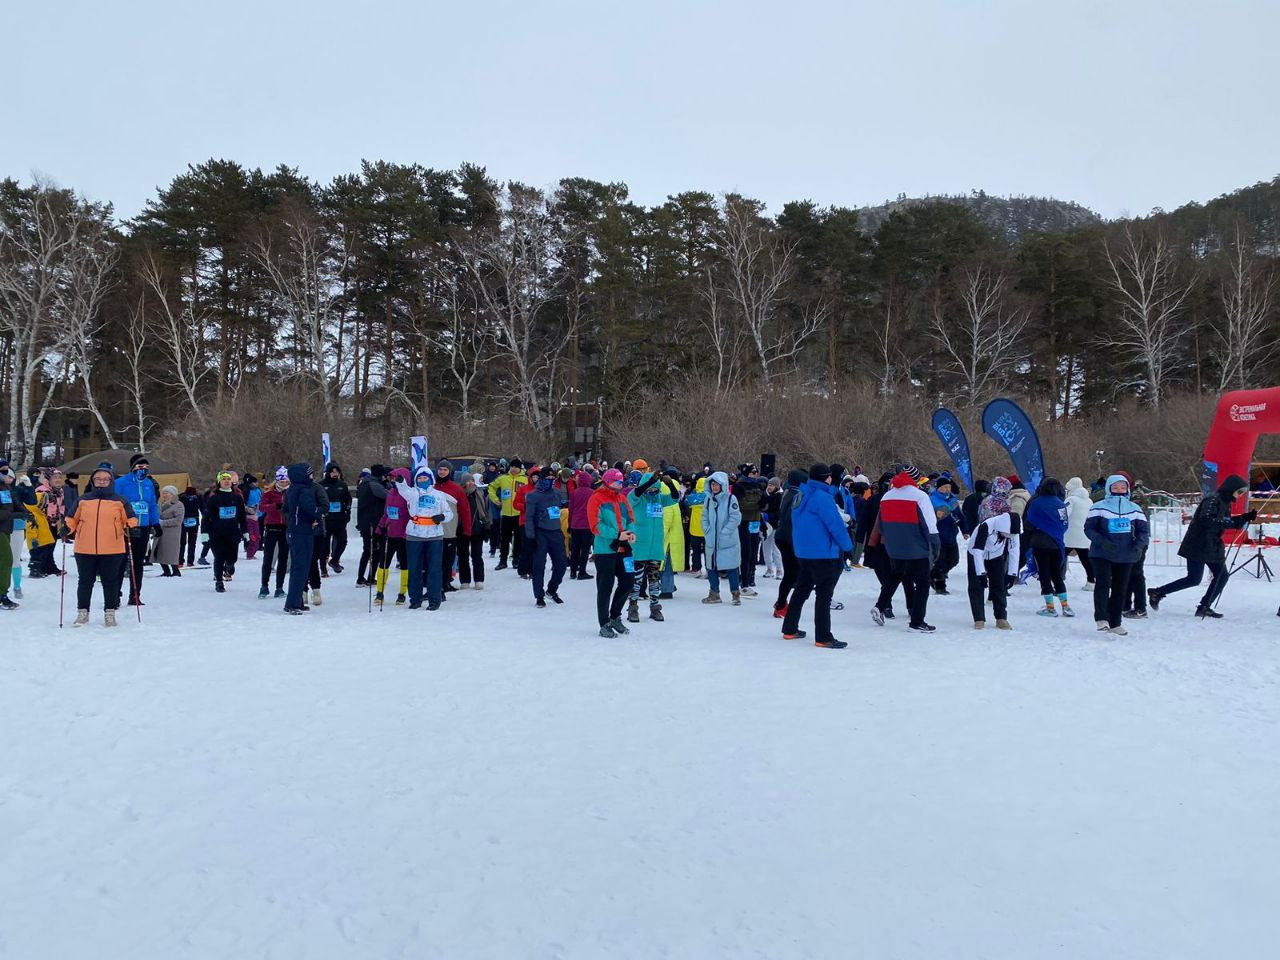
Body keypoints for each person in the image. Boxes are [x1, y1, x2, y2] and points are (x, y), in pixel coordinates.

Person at [1149, 474, 1254, 619]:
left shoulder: (1224, 501)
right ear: (1231, 489)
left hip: (1212, 544)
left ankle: (1204, 606)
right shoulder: (1213, 500)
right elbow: (1207, 520)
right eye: (1239, 492)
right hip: (1198, 543)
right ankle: (1158, 592)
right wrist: (1233, 523)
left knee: (1221, 575)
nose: (1240, 495)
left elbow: (1223, 520)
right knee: (1194, 578)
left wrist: (1243, 518)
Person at [780, 464, 853, 649]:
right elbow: (835, 525)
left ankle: (789, 628)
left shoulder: (800, 495)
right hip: (823, 553)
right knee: (823, 595)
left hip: (804, 552)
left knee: (801, 590)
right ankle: (823, 636)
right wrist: (847, 546)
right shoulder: (823, 498)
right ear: (826, 478)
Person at [66, 463, 138, 626]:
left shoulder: (120, 501)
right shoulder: (83, 500)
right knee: (85, 581)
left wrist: (131, 527)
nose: (101, 481)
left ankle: (110, 613)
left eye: (105, 479)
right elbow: (71, 519)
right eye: (98, 479)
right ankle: (83, 613)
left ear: (111, 481)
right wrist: (67, 528)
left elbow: (131, 518)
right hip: (84, 548)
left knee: (110, 581)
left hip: (113, 548)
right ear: (93, 481)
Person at [871, 468, 940, 632]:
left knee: (896, 575)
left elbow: (881, 524)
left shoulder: (887, 496)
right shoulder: (920, 496)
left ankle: (880, 606)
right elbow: (930, 525)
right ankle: (917, 622)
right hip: (917, 547)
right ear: (916, 480)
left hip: (894, 547)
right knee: (923, 583)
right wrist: (935, 547)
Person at [1084, 474, 1150, 635]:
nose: (1119, 490)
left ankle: (1115, 623)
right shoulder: (1098, 507)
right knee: (1103, 584)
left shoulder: (1134, 508)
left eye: (1122, 487)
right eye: (1115, 487)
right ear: (1109, 489)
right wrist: (1102, 541)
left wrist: (1138, 546)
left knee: (1120, 589)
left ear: (1127, 489)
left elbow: (1143, 530)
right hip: (1101, 553)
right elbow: (1089, 529)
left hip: (1126, 555)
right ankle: (1101, 619)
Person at [393, 466, 454, 610]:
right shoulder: (412, 493)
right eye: (420, 478)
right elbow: (403, 489)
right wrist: (400, 482)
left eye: (425, 478)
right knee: (414, 568)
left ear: (430, 479)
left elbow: (448, 513)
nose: (422, 480)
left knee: (434, 569)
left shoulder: (439, 495)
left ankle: (434, 599)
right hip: (415, 535)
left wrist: (442, 517)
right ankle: (415, 599)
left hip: (435, 536)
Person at [626, 465, 681, 622]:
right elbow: (636, 493)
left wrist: (669, 483)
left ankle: (655, 607)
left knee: (655, 580)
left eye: (655, 490)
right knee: (636, 581)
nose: (652, 493)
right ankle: (633, 607)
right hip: (639, 547)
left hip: (656, 546)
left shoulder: (659, 499)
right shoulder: (636, 498)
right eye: (650, 490)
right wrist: (650, 481)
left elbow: (676, 498)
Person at [965, 478, 1021, 630]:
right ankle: (979, 618)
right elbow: (977, 551)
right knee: (976, 585)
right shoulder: (985, 527)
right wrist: (981, 573)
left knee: (999, 584)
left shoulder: (1010, 525)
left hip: (996, 554)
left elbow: (1014, 549)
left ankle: (1001, 617)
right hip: (978, 552)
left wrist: (1012, 573)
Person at [587, 469, 637, 637]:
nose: (619, 485)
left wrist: (631, 532)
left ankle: (615, 616)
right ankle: (604, 623)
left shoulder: (622, 498)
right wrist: (616, 534)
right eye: (616, 482)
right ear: (607, 481)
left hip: (624, 549)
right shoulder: (596, 498)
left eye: (621, 482)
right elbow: (595, 525)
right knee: (605, 586)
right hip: (605, 550)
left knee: (628, 582)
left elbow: (631, 519)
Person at [1024, 477, 1073, 617]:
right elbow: (1065, 523)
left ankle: (1050, 608)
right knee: (1057, 575)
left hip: (1040, 542)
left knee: (1044, 575)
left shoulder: (1036, 503)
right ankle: (1065, 606)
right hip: (1057, 543)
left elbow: (1029, 523)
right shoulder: (1060, 504)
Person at [114, 454, 159, 605]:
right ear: (133, 468)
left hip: (143, 527)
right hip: (125, 528)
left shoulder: (148, 483)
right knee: (120, 562)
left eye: (147, 468)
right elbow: (115, 504)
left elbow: (152, 504)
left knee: (138, 563)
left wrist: (155, 523)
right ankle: (115, 595)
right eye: (140, 467)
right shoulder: (121, 483)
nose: (144, 470)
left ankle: (134, 595)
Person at [524, 468, 569, 607]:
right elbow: (529, 518)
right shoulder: (533, 495)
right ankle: (539, 596)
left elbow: (560, 509)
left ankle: (552, 590)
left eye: (552, 479)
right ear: (541, 479)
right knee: (539, 567)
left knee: (561, 565)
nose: (550, 482)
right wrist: (530, 537)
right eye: (547, 479)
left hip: (556, 532)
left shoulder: (556, 493)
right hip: (540, 533)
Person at [700, 470, 743, 605]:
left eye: (717, 484)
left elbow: (735, 517)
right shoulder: (708, 499)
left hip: (728, 540)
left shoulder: (731, 499)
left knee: (732, 567)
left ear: (723, 485)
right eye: (712, 484)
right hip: (712, 540)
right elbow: (704, 517)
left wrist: (725, 532)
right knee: (711, 567)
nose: (714, 487)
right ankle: (714, 593)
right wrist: (707, 530)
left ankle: (735, 594)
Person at [283, 462, 320, 614]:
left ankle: (295, 600)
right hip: (302, 532)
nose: (312, 477)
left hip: (295, 530)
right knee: (301, 568)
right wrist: (319, 514)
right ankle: (292, 603)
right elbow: (312, 508)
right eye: (310, 474)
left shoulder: (291, 490)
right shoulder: (303, 491)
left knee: (298, 568)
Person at [202, 471, 247, 593]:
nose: (226, 481)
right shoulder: (214, 498)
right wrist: (204, 534)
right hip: (216, 533)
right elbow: (206, 517)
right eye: (223, 479)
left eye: (228, 479)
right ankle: (219, 582)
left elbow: (242, 516)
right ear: (219, 482)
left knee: (232, 557)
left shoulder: (237, 497)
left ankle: (229, 566)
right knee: (219, 557)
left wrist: (245, 531)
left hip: (232, 532)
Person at [373, 467, 412, 607]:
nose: (393, 481)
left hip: (403, 536)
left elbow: (411, 516)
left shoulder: (409, 495)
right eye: (392, 478)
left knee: (404, 564)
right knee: (383, 563)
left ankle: (402, 593)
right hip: (389, 534)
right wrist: (379, 528)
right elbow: (387, 513)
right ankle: (379, 592)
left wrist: (407, 533)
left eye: (397, 478)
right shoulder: (390, 493)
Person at [771, 469, 807, 619]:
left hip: (782, 537)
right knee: (793, 574)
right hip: (789, 538)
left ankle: (781, 603)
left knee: (791, 574)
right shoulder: (797, 495)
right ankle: (781, 606)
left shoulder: (787, 492)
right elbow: (791, 521)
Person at [434, 460, 471, 594]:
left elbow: (465, 510)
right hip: (433, 531)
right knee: (436, 560)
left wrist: (467, 529)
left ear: (450, 472)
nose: (442, 472)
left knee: (448, 560)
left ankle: (446, 582)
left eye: (445, 469)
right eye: (440, 469)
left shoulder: (457, 489)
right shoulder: (432, 487)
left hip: (450, 530)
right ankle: (436, 584)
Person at [258, 467, 290, 599]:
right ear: (277, 481)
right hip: (271, 527)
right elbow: (262, 507)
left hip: (285, 528)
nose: (284, 484)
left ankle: (279, 587)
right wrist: (275, 507)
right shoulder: (269, 493)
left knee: (283, 558)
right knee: (268, 557)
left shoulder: (291, 492)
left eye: (286, 481)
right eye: (281, 481)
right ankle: (264, 586)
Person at [733, 464, 766, 596]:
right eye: (753, 472)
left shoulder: (758, 485)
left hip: (755, 522)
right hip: (744, 522)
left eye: (757, 471)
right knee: (745, 553)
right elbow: (740, 504)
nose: (755, 474)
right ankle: (743, 582)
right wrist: (757, 504)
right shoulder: (739, 485)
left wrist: (764, 505)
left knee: (753, 553)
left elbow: (763, 503)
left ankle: (750, 579)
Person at [489, 459, 527, 570]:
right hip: (505, 513)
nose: (514, 469)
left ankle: (516, 559)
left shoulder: (525, 480)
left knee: (518, 538)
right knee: (504, 539)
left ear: (520, 468)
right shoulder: (503, 478)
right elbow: (491, 487)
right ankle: (503, 561)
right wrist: (495, 499)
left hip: (519, 514)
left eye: (516, 467)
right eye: (512, 466)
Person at [355, 464, 389, 586]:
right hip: (373, 522)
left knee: (367, 550)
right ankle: (369, 577)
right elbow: (387, 496)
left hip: (366, 522)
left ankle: (361, 577)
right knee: (375, 551)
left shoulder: (364, 483)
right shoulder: (374, 485)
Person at [928, 474, 963, 595]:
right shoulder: (931, 500)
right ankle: (940, 586)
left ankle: (933, 574)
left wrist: (965, 530)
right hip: (938, 536)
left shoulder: (952, 500)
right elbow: (926, 518)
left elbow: (960, 516)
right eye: (945, 487)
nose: (948, 489)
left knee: (954, 560)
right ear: (938, 488)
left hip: (951, 535)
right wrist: (935, 517)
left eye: (949, 487)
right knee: (940, 562)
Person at [458, 472, 489, 589]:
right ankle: (464, 580)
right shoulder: (459, 494)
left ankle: (479, 579)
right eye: (467, 481)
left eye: (472, 480)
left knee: (477, 555)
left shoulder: (479, 494)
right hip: (462, 529)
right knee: (463, 556)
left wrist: (487, 525)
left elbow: (485, 511)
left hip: (477, 528)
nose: (470, 483)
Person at [320, 462, 352, 574]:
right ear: (328, 473)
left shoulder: (342, 485)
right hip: (326, 519)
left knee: (342, 541)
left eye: (336, 472)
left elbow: (348, 499)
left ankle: (334, 561)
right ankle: (323, 568)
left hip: (339, 519)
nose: (334, 474)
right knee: (324, 545)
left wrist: (347, 511)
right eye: (332, 472)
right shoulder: (321, 485)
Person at [1064, 477, 1095, 589]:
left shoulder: (1070, 500)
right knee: (1085, 559)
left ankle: (1054, 580)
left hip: (1069, 534)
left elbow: (1064, 515)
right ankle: (1091, 581)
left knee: (1059, 558)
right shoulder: (1089, 500)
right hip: (1083, 534)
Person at [567, 468, 596, 580]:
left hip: (575, 524)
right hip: (587, 525)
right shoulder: (592, 493)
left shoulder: (574, 493)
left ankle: (573, 572)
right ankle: (582, 572)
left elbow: (571, 510)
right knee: (585, 549)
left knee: (574, 549)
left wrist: (569, 525)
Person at [0, 461, 19, 609]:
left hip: (5, 529)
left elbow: (10, 506)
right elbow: (6, 511)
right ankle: (1, 595)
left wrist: (23, 512)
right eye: (2, 470)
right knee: (7, 559)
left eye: (7, 470)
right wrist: (11, 514)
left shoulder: (5, 487)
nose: (6, 474)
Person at [156, 486, 184, 576]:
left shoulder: (178, 505)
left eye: (167, 493)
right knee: (160, 551)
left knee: (171, 552)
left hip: (172, 533)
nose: (164, 495)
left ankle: (175, 571)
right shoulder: (161, 504)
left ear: (173, 494)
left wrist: (163, 522)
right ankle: (166, 571)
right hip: (161, 532)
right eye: (163, 493)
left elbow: (178, 520)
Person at [760, 476, 783, 577]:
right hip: (765, 526)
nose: (769, 487)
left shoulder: (780, 497)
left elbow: (779, 512)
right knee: (765, 548)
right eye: (769, 485)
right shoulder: (765, 495)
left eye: (772, 485)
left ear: (777, 487)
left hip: (775, 525)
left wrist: (768, 516)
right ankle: (769, 569)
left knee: (775, 549)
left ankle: (779, 570)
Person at [687, 474, 708, 578]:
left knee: (696, 551)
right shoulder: (709, 498)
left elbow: (685, 504)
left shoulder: (692, 497)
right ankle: (709, 569)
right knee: (708, 551)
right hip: (707, 529)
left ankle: (697, 568)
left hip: (695, 528)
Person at [178, 486, 202, 568]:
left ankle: (180, 561)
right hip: (193, 520)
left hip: (184, 521)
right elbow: (203, 508)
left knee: (182, 542)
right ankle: (189, 561)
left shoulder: (180, 497)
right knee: (191, 542)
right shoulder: (198, 497)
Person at [241, 474, 262, 560]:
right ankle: (248, 548)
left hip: (258, 513)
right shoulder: (246, 490)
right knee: (251, 533)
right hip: (249, 514)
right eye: (255, 482)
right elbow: (243, 502)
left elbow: (261, 499)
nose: (257, 483)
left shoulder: (258, 490)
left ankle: (256, 547)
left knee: (258, 533)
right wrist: (248, 509)